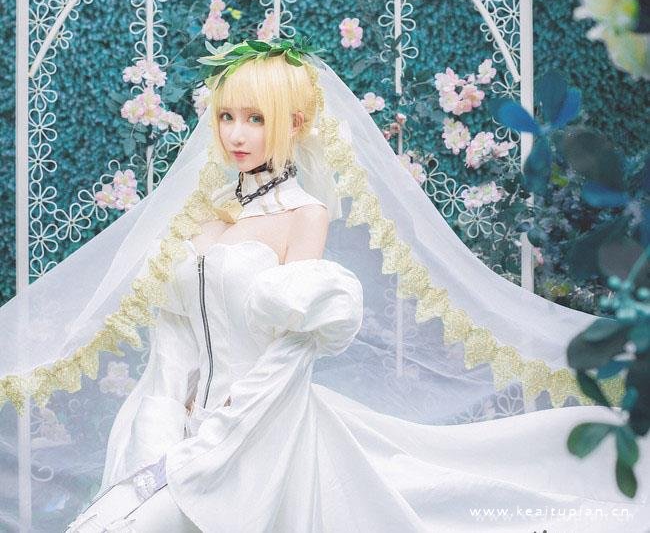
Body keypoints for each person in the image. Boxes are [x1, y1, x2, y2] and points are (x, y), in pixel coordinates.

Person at [0, 39, 648, 531]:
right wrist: (164, 416)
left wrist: (226, 427)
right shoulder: (201, 213)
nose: (236, 134)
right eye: (227, 117)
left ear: (295, 123)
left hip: (261, 427)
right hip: (171, 420)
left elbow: (295, 344)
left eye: (256, 118)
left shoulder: (304, 215)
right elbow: (173, 331)